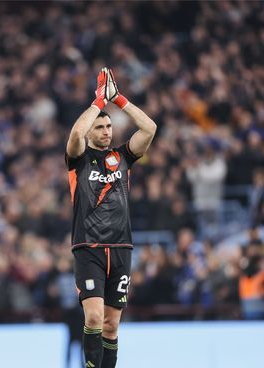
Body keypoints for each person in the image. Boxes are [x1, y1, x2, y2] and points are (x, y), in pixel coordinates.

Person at [65, 68, 157, 368]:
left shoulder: (123, 158)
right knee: (93, 317)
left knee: (111, 326)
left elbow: (149, 129)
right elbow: (77, 134)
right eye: (100, 127)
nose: (106, 131)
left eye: (108, 127)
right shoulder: (78, 159)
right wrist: (97, 102)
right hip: (88, 247)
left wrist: (117, 100)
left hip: (121, 249)